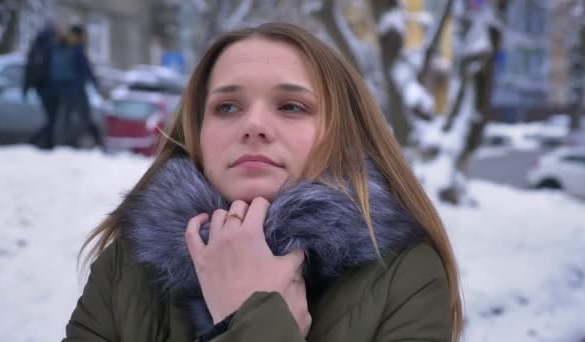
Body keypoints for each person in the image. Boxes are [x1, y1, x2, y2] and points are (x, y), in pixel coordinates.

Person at [63, 22, 462, 341]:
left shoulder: (404, 276)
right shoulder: (127, 264)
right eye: (227, 106)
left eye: (291, 106)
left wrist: (246, 320)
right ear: (197, 133)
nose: (254, 126)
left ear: (341, 134)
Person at [55, 25, 105, 149]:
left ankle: (64, 143)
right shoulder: (77, 50)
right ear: (79, 36)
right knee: (84, 117)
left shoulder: (64, 47)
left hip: (64, 89)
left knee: (66, 117)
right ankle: (85, 142)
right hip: (77, 90)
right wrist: (96, 85)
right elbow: (86, 70)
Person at [23, 21, 59, 149]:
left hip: (40, 87)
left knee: (51, 118)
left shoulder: (37, 44)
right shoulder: (51, 45)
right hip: (50, 88)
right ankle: (40, 142)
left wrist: (26, 88)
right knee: (53, 119)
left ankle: (45, 143)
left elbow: (29, 67)